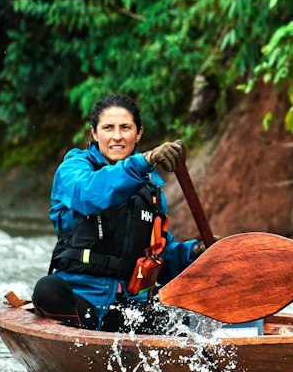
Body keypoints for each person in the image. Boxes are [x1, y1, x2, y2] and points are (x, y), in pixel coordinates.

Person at [32, 92, 203, 333]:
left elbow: (160, 256)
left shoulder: (151, 190)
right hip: (82, 301)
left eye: (125, 128)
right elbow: (90, 194)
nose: (117, 136)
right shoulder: (73, 169)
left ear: (138, 133)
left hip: (129, 308)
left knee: (183, 322)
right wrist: (144, 161)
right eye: (108, 128)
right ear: (94, 133)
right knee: (47, 289)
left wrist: (194, 253)